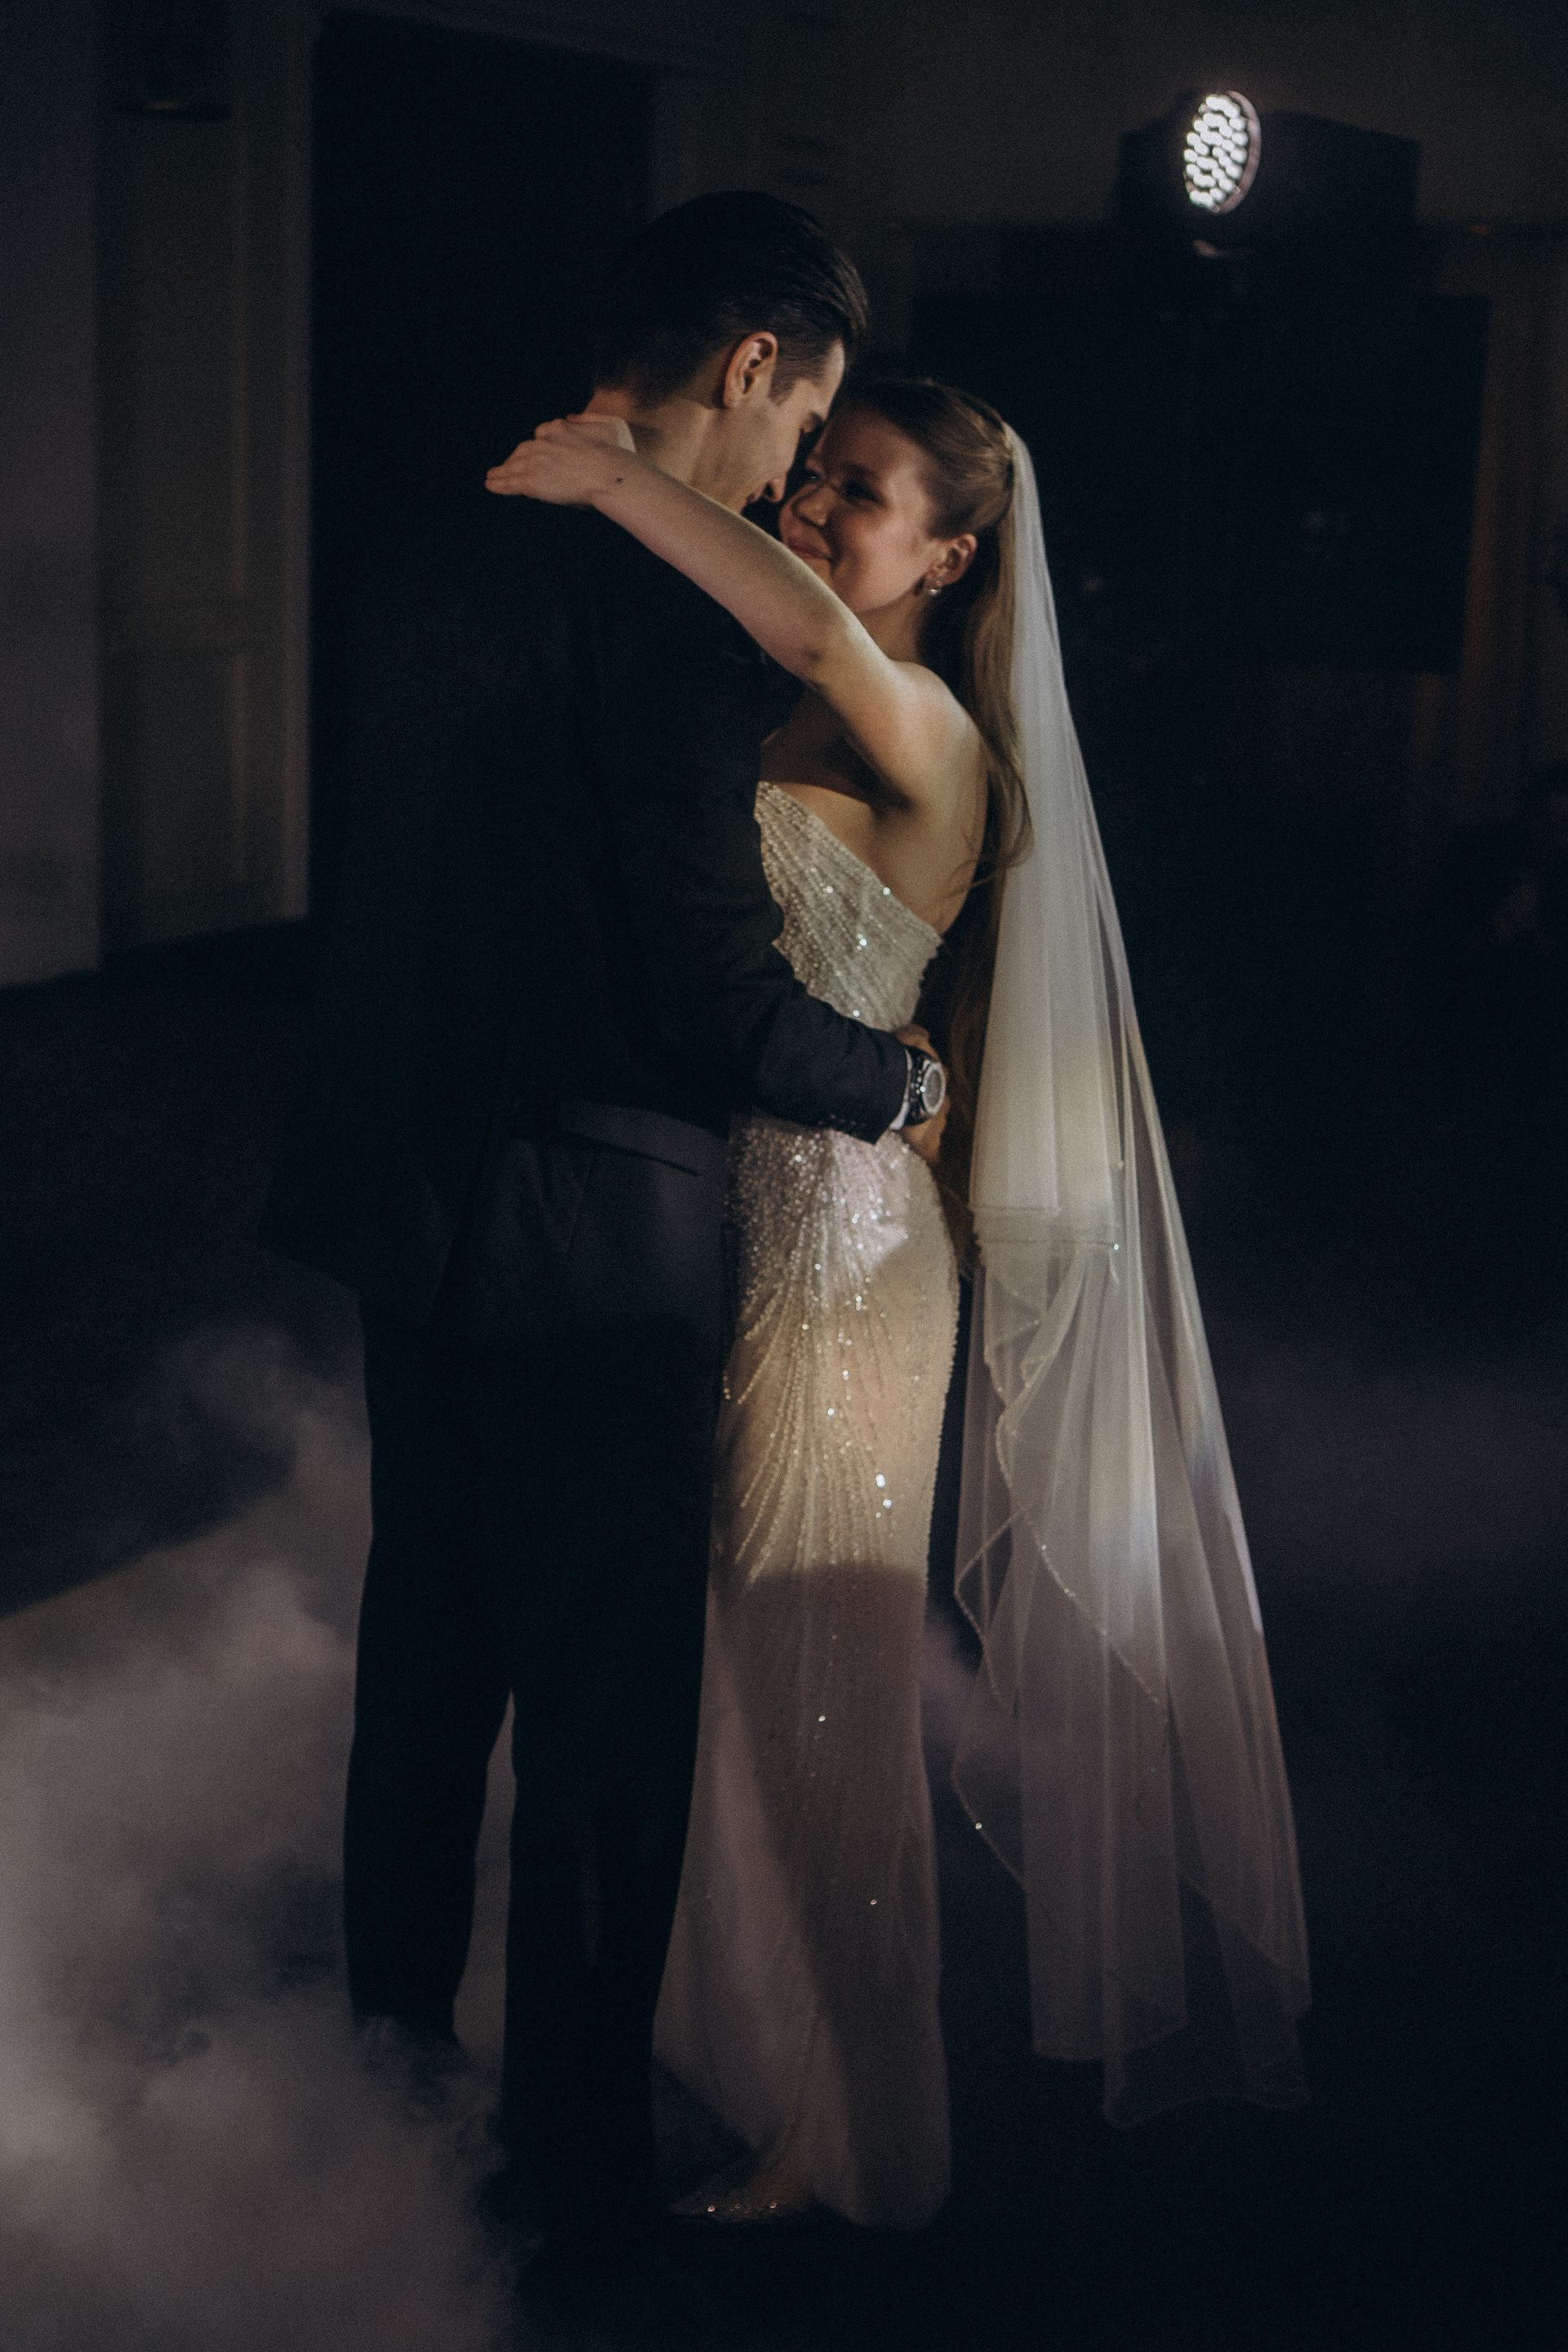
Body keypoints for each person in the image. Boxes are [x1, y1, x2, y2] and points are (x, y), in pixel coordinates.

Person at [488, 375, 1312, 2224]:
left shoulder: (923, 718)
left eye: (857, 492)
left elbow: (799, 628)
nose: (810, 506)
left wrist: (616, 475)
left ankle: (851, 2128)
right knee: (708, 1677)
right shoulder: (777, 692)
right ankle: (724, 2039)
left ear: (950, 556)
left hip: (845, 1263)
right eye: (814, 476)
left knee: (819, 1708)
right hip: (720, 1230)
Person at [261, 194, 950, 2282]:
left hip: (406, 1198)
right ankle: (568, 2180)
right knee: (601, 1734)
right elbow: (712, 997)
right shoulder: (675, 619)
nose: (794, 474)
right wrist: (893, 1088)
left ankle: (385, 2081)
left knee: (421, 1675)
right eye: (804, 423)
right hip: (592, 1241)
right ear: (752, 365)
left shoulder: (425, 543)